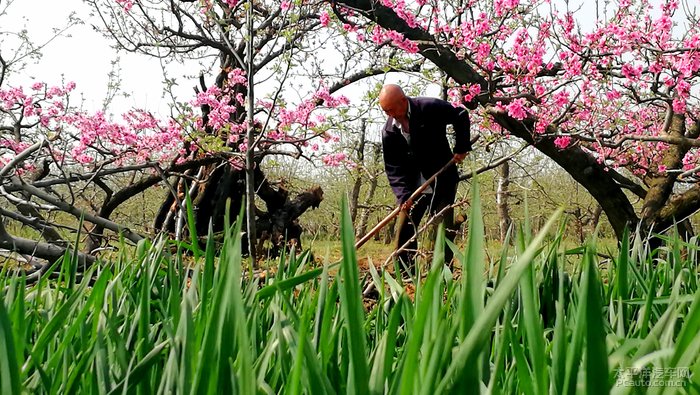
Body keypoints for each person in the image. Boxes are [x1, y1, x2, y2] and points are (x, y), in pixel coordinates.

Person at [378, 84, 471, 274]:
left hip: (442, 179)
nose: (390, 114)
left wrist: (461, 147)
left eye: (391, 109)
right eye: (385, 111)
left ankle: (441, 276)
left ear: (403, 101)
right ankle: (405, 275)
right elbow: (393, 167)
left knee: (441, 230)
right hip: (413, 187)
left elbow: (460, 115)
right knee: (404, 230)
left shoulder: (429, 108)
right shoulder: (389, 131)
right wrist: (403, 195)